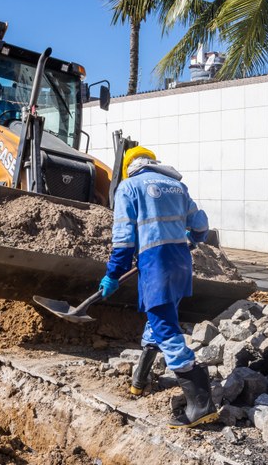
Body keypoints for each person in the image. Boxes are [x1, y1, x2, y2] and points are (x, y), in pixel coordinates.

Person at [99, 146, 217, 429]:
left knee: (166, 329)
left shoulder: (129, 187)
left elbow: (124, 240)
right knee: (158, 321)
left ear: (129, 167)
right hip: (180, 263)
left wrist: (113, 274)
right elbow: (201, 225)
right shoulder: (176, 185)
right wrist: (192, 239)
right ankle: (139, 382)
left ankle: (201, 403)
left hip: (156, 265)